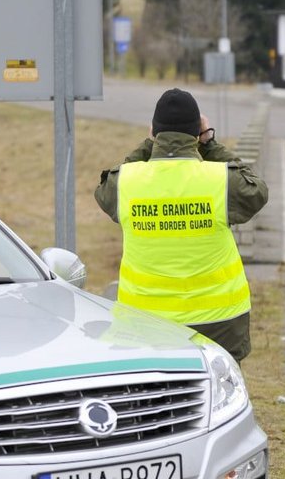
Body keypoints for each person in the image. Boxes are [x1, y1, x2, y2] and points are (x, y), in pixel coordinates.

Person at [95, 88, 268, 362]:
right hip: (218, 323)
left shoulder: (125, 182)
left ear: (154, 130)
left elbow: (105, 188)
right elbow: (256, 189)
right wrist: (209, 143)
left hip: (144, 324)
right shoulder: (220, 181)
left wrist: (152, 143)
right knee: (217, 397)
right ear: (197, 133)